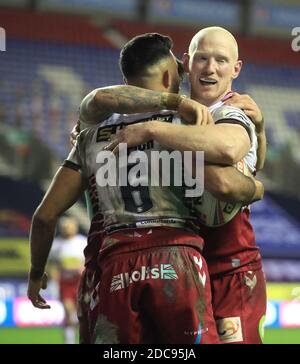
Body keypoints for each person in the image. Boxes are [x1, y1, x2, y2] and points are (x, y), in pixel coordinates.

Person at [27, 33, 262, 344]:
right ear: (170, 75)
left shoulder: (91, 135)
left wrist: (36, 272)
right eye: (181, 68)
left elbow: (45, 217)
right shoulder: (188, 129)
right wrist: (258, 188)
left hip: (111, 266)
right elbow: (225, 179)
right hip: (179, 258)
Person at [105, 28, 267, 344]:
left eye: (221, 60)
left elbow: (227, 157)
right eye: (203, 58)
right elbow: (99, 99)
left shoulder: (232, 112)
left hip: (230, 271)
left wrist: (150, 130)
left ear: (236, 69)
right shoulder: (175, 114)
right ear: (186, 62)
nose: (210, 68)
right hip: (184, 272)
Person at [48, 217, 86, 344]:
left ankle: (84, 337)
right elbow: (51, 265)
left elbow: (90, 261)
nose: (67, 229)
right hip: (65, 283)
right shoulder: (56, 245)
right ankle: (69, 341)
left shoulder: (82, 242)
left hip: (80, 282)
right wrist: (53, 280)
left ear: (75, 227)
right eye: (64, 227)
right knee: (68, 310)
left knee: (82, 312)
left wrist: (83, 269)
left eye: (69, 226)